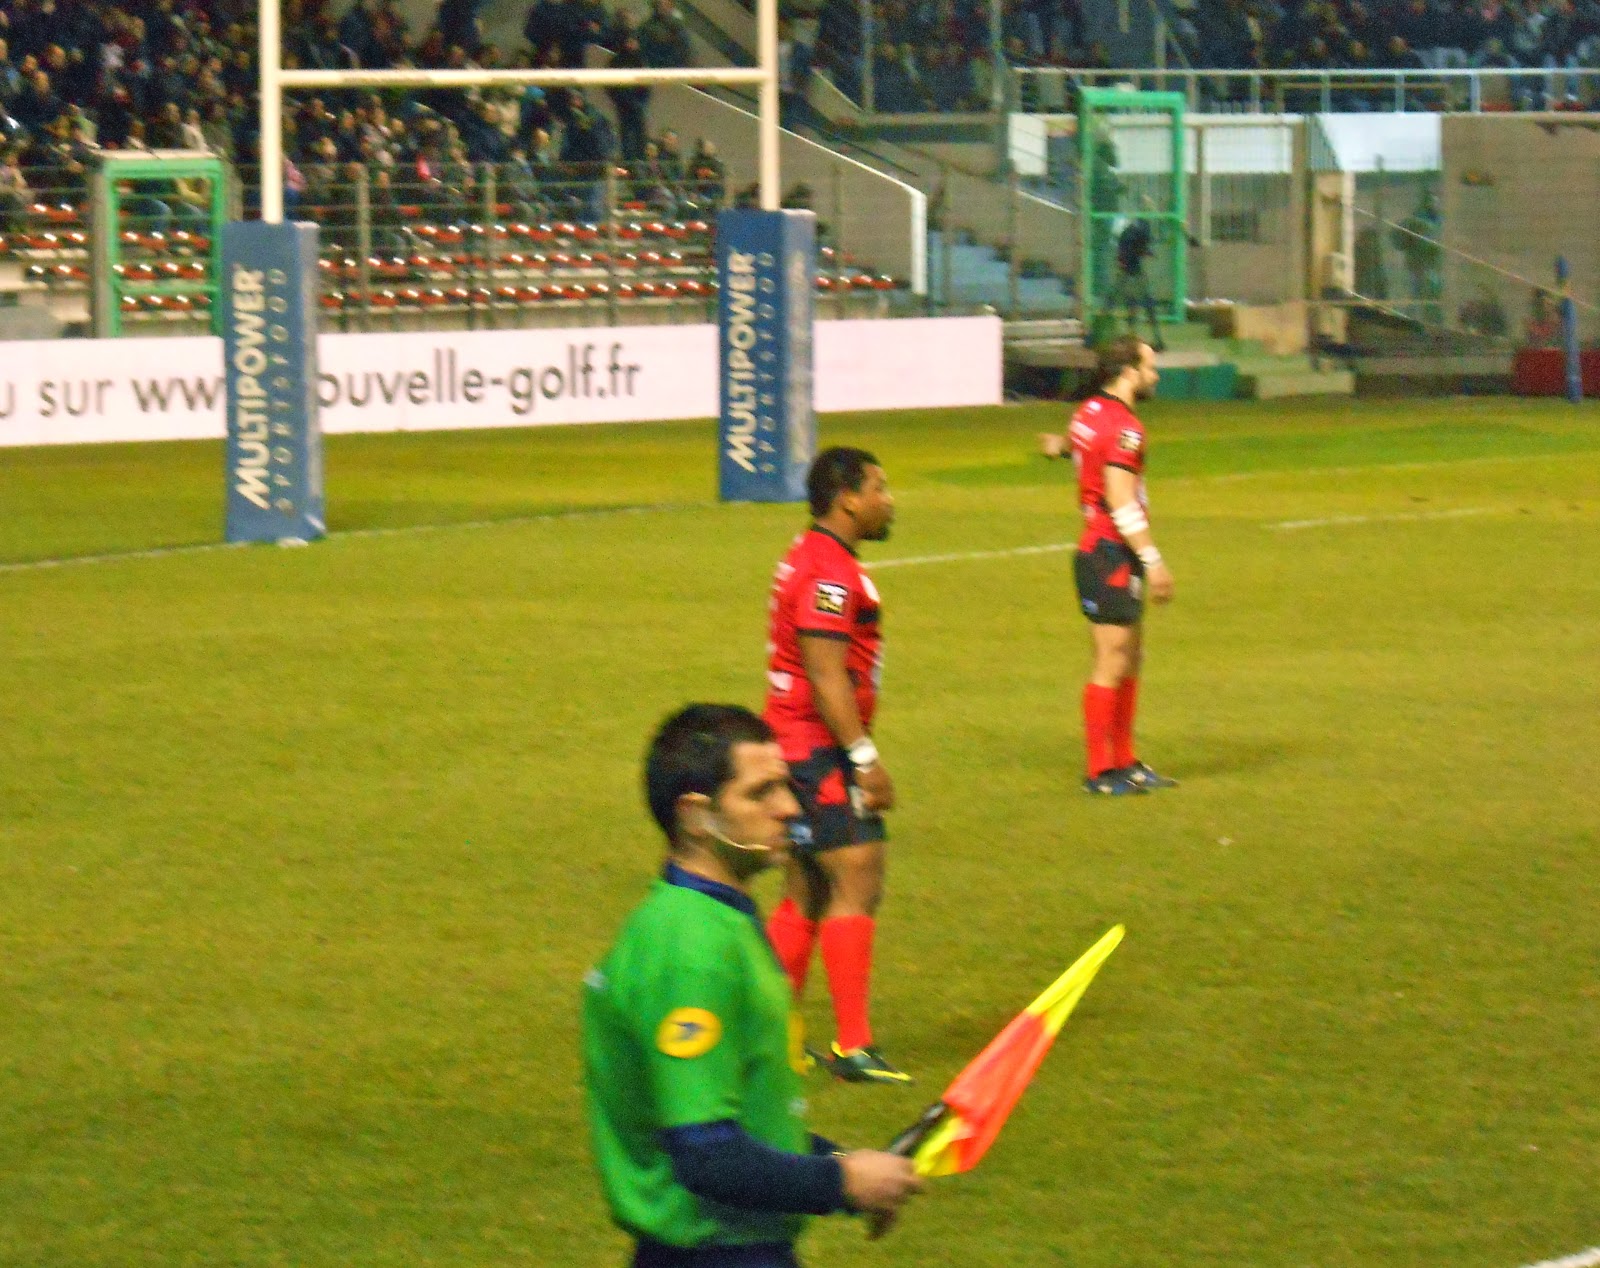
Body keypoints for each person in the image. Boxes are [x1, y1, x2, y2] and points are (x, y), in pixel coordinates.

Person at [583, 704, 923, 1268]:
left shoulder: (718, 921)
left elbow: (747, 1123)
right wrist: (841, 1183)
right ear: (696, 816)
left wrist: (843, 1165)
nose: (790, 807)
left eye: (785, 786)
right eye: (760, 793)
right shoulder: (692, 950)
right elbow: (706, 1154)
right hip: (711, 1253)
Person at [761, 449, 907, 1084]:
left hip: (792, 743)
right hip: (816, 748)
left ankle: (772, 1041)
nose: (888, 500)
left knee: (808, 888)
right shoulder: (828, 572)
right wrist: (864, 759)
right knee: (857, 875)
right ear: (847, 498)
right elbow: (826, 674)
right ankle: (853, 1046)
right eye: (879, 488)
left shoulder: (815, 554)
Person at [1066, 335, 1178, 796]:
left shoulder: (1089, 411)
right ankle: (1100, 772)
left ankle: (1125, 761)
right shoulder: (1127, 428)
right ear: (1129, 371)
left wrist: (1057, 448)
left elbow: (1082, 448)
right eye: (1149, 366)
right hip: (1110, 552)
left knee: (1129, 657)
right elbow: (1120, 498)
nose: (1155, 375)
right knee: (1112, 660)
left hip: (1104, 551)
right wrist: (1153, 560)